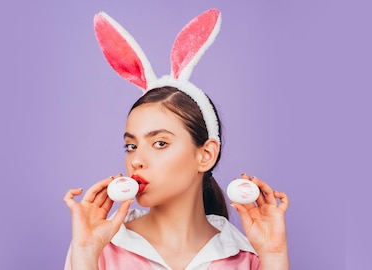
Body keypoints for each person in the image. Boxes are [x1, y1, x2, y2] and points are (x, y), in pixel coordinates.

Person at [63, 9, 289, 270]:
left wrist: (274, 256)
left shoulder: (249, 257)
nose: (136, 160)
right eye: (131, 145)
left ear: (205, 155)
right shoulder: (100, 248)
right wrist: (84, 252)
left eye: (160, 143)